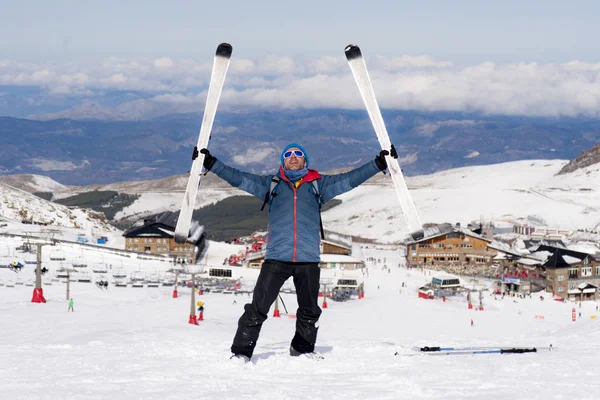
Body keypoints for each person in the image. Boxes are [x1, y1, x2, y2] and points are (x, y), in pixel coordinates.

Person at [199, 142, 393, 361]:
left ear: (305, 161)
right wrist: (211, 164)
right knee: (257, 308)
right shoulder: (271, 184)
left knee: (309, 310)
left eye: (298, 154)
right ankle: (242, 353)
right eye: (288, 155)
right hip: (276, 259)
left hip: (308, 259)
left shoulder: (318, 184)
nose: (293, 157)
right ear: (283, 161)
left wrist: (378, 164)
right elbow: (238, 178)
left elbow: (350, 179)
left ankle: (302, 349)